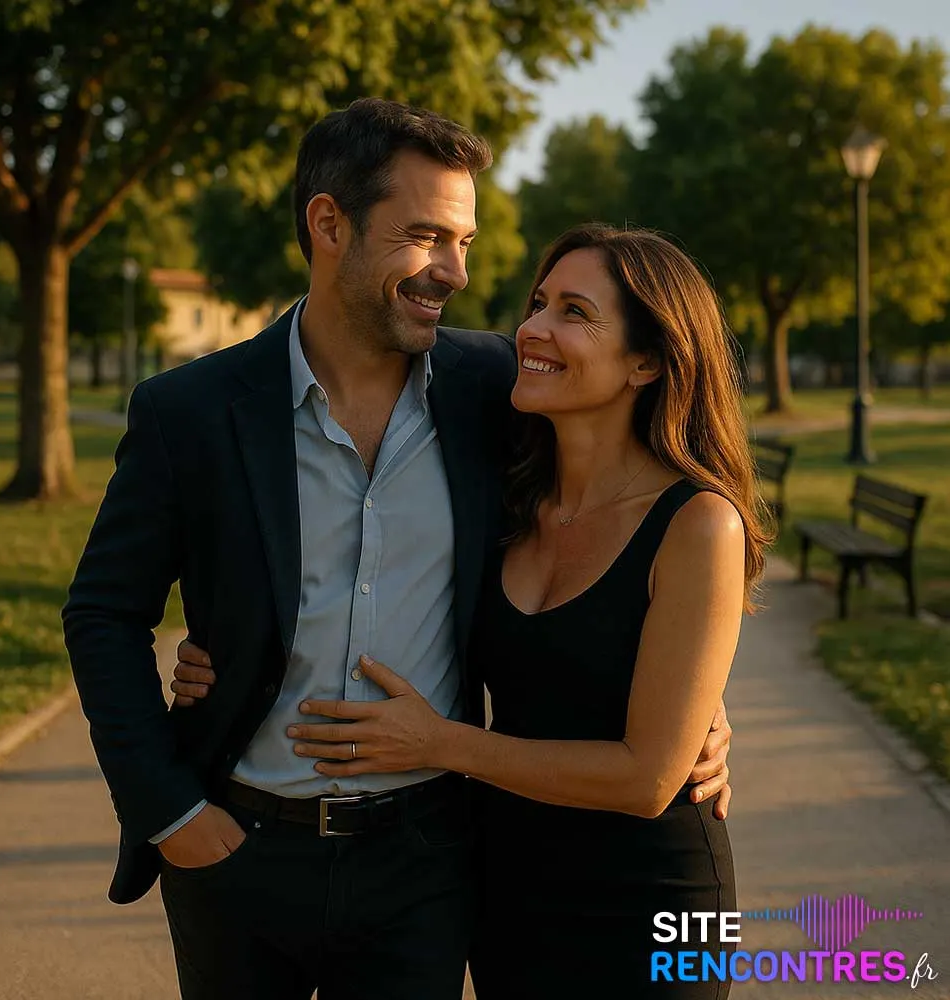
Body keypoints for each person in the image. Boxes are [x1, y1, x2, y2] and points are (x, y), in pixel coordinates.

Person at [64, 98, 732, 1000]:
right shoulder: (190, 412)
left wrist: (700, 709)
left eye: (465, 240)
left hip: (427, 865)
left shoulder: (494, 388)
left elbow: (640, 512)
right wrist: (171, 812)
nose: (455, 271)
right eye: (425, 237)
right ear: (330, 224)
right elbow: (103, 613)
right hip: (235, 854)